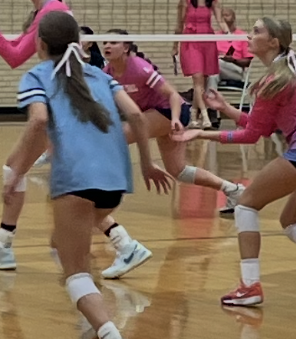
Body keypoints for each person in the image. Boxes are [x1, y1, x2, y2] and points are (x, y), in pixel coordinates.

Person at [6, 12, 172, 339]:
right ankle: (96, 329)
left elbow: (37, 121)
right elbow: (138, 117)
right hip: (115, 180)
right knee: (62, 245)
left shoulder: (38, 76)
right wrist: (147, 164)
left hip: (76, 178)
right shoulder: (99, 75)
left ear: (41, 44)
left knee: (74, 270)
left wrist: (15, 172)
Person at [0, 0, 148, 274]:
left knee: (36, 176)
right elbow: (15, 52)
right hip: (66, 97)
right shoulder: (45, 13)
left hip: (66, 101)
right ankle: (122, 245)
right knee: (63, 185)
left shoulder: (52, 13)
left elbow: (15, 56)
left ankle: (8, 249)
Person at [176, 17, 296, 308]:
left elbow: (251, 136)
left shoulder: (273, 81)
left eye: (256, 32)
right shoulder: (290, 70)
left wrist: (202, 133)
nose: (248, 37)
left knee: (245, 206)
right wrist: (226, 109)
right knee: (292, 221)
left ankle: (250, 285)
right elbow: (264, 126)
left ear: (273, 42)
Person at [102, 30, 245, 216]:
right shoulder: (107, 73)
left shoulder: (140, 68)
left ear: (126, 47)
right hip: (152, 115)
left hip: (170, 112)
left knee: (116, 138)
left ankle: (101, 194)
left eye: (113, 42)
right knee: (179, 171)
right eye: (105, 42)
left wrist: (176, 119)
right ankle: (233, 190)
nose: (107, 46)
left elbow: (173, 95)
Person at [174, 0, 228, 128]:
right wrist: (174, 45)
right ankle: (205, 117)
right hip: (191, 40)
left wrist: (227, 32)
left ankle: (193, 115)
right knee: (197, 78)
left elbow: (220, 20)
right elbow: (179, 23)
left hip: (207, 40)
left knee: (203, 81)